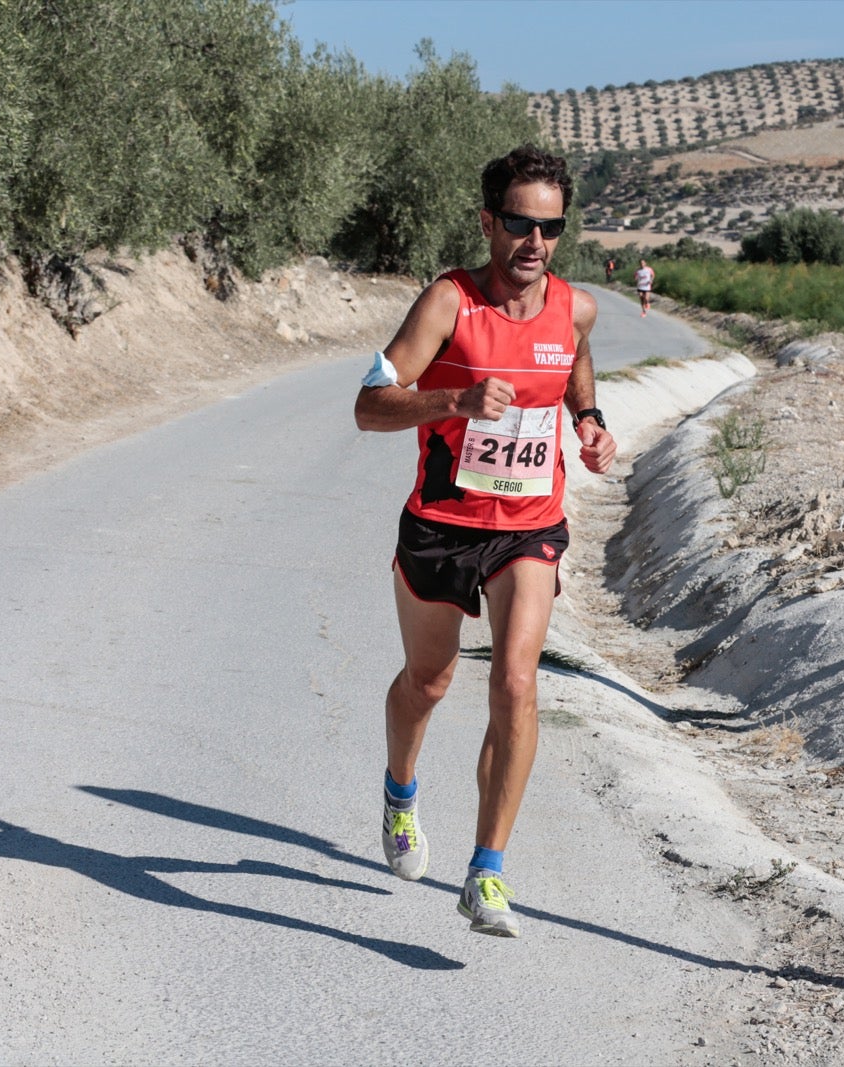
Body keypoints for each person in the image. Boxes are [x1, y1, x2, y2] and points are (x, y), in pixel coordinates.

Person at [353, 144, 617, 938]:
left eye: (550, 227)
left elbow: (574, 366)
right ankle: (401, 791)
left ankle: (487, 871)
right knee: (429, 682)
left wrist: (590, 422)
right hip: (441, 523)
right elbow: (370, 405)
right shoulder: (449, 303)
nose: (533, 242)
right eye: (517, 223)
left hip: (527, 529)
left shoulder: (575, 308)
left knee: (515, 684)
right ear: (488, 222)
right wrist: (454, 399)